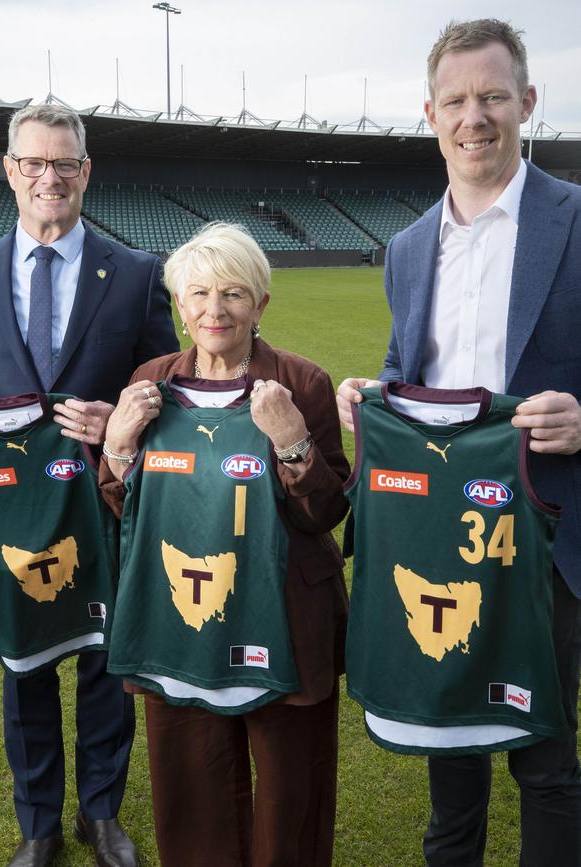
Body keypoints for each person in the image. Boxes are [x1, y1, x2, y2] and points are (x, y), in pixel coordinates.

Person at [337, 18, 581, 867]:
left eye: (492, 97)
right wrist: (369, 394)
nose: (474, 117)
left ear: (528, 102)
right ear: (431, 114)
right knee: (451, 761)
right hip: (442, 535)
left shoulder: (578, 219)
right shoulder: (407, 248)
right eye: (456, 101)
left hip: (548, 533)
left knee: (548, 767)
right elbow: (408, 370)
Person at [0, 103, 178, 867]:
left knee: (108, 658)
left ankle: (100, 813)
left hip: (105, 500)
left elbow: (167, 382)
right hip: (13, 507)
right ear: (9, 172)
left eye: (63, 163)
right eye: (33, 162)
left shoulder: (135, 272)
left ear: (85, 173)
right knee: (26, 666)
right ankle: (37, 822)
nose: (49, 177)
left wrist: (128, 421)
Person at [99, 221, 349, 867]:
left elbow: (328, 513)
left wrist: (293, 441)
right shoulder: (151, 379)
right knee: (191, 777)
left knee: (292, 784)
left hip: (287, 613)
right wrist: (118, 448)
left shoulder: (303, 381)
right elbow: (129, 507)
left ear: (260, 304)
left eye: (235, 293)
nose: (216, 310)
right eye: (200, 293)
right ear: (180, 305)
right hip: (181, 613)